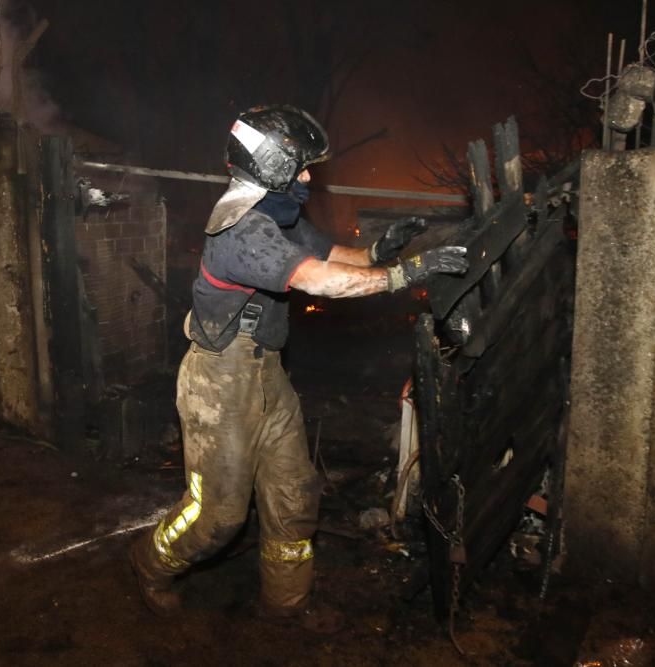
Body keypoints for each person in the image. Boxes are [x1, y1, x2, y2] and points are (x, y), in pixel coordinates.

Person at [130, 105, 467, 632]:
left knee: (294, 497)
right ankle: (151, 565)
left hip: (268, 376)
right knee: (218, 518)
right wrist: (407, 273)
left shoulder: (275, 216)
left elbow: (332, 256)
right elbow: (320, 281)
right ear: (270, 166)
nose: (308, 178)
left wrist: (380, 250)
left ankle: (283, 607)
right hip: (219, 387)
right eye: (301, 167)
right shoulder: (241, 229)